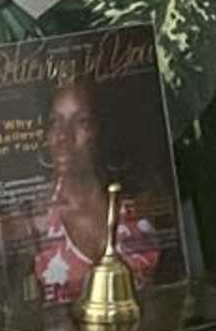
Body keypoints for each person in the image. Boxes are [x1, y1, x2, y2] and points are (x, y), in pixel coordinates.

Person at [23, 77, 167, 304]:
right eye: (54, 122)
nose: (63, 136)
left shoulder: (139, 206)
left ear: (101, 129)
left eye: (82, 122)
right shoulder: (36, 217)